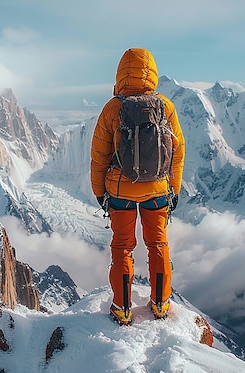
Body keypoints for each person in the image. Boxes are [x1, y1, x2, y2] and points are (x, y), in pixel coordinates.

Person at [90, 48, 185, 324]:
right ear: (152, 73)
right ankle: (160, 304)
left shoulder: (112, 109)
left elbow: (99, 156)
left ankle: (122, 308)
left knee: (122, 247)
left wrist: (99, 191)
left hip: (120, 192)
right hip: (157, 190)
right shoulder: (165, 107)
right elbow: (177, 151)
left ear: (121, 74)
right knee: (158, 243)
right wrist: (174, 188)